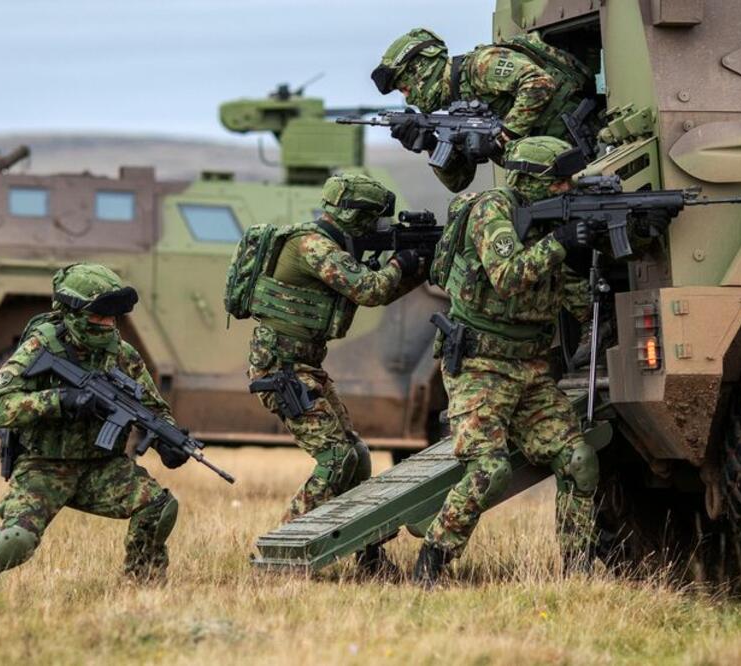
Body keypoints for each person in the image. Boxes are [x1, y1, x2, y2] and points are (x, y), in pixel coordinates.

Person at [0, 263, 186, 588]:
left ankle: (142, 587)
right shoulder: (40, 348)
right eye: (98, 317)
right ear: (73, 312)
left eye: (112, 317)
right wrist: (60, 400)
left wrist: (168, 438)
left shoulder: (122, 355)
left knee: (159, 507)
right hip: (43, 469)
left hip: (101, 468)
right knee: (16, 541)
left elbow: (151, 407)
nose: (107, 325)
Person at [414, 136, 601, 585]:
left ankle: (578, 573)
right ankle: (432, 560)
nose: (564, 188)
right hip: (481, 367)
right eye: (556, 181)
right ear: (528, 181)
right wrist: (558, 242)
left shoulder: (551, 218)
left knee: (579, 460)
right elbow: (508, 275)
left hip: (532, 370)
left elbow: (572, 294)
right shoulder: (492, 210)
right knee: (490, 470)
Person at [244, 173, 427, 573]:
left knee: (357, 457)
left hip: (305, 367)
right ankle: (281, 554)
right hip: (282, 370)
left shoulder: (323, 244)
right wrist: (401, 263)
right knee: (336, 457)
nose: (376, 227)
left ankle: (369, 556)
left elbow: (377, 291)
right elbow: (370, 289)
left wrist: (415, 268)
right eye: (372, 219)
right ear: (352, 216)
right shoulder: (313, 246)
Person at [371, 27, 594, 192]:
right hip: (557, 175)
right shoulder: (460, 108)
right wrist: (431, 144)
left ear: (421, 69)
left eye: (406, 88)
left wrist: (504, 136)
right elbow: (459, 182)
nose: (409, 99)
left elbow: (538, 82)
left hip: (589, 147)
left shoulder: (480, 65)